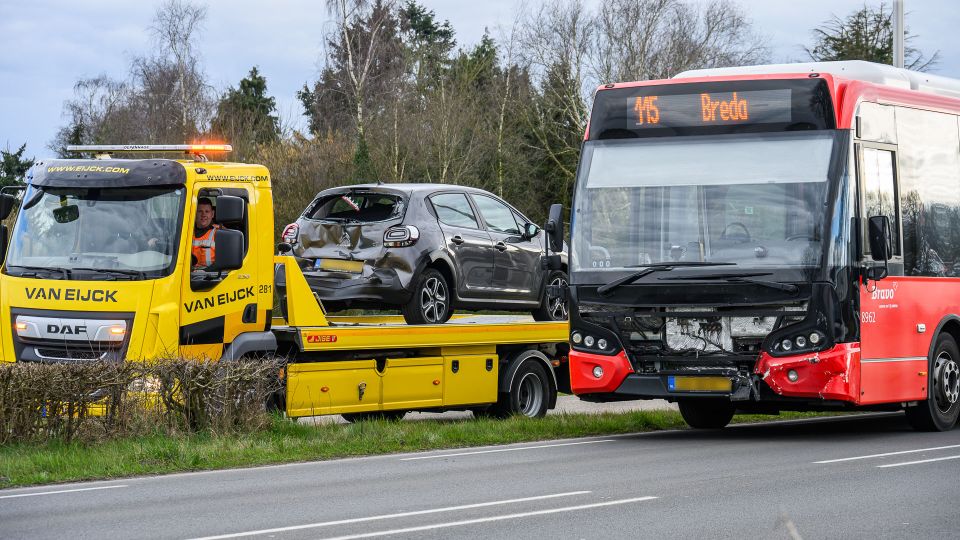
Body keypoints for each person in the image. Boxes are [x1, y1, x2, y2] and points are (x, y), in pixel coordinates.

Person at [192, 198, 220, 269]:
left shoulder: (219, 233)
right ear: (194, 213)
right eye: (200, 211)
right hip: (185, 273)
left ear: (212, 214)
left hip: (209, 274)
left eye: (207, 211)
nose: (203, 215)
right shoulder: (185, 231)